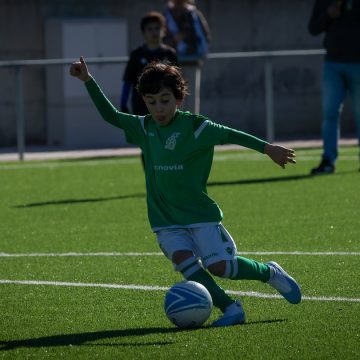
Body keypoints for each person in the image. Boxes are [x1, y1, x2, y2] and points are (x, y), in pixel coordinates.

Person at [70, 57, 301, 327]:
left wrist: (268, 148)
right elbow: (112, 116)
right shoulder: (145, 128)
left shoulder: (195, 127)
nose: (159, 108)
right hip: (165, 218)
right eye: (151, 101)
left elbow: (231, 135)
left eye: (165, 99)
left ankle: (270, 273)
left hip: (199, 214)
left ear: (178, 99)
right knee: (183, 261)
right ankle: (230, 309)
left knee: (221, 268)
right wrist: (87, 80)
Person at [309, 0, 360, 174]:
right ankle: (328, 160)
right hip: (333, 64)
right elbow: (313, 28)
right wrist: (328, 15)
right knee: (330, 113)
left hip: (358, 64)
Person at [120, 11, 178, 116]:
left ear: (164, 30)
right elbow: (127, 81)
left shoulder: (170, 54)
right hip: (140, 108)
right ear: (144, 32)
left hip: (165, 108)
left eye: (157, 28)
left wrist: (178, 101)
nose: (154, 32)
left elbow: (177, 82)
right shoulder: (136, 54)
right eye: (150, 29)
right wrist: (123, 104)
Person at [163, 0, 211, 113]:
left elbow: (205, 36)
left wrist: (185, 40)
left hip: (192, 61)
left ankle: (192, 127)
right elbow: (161, 39)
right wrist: (173, 41)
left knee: (192, 99)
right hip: (172, 64)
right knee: (175, 96)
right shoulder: (167, 15)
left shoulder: (193, 14)